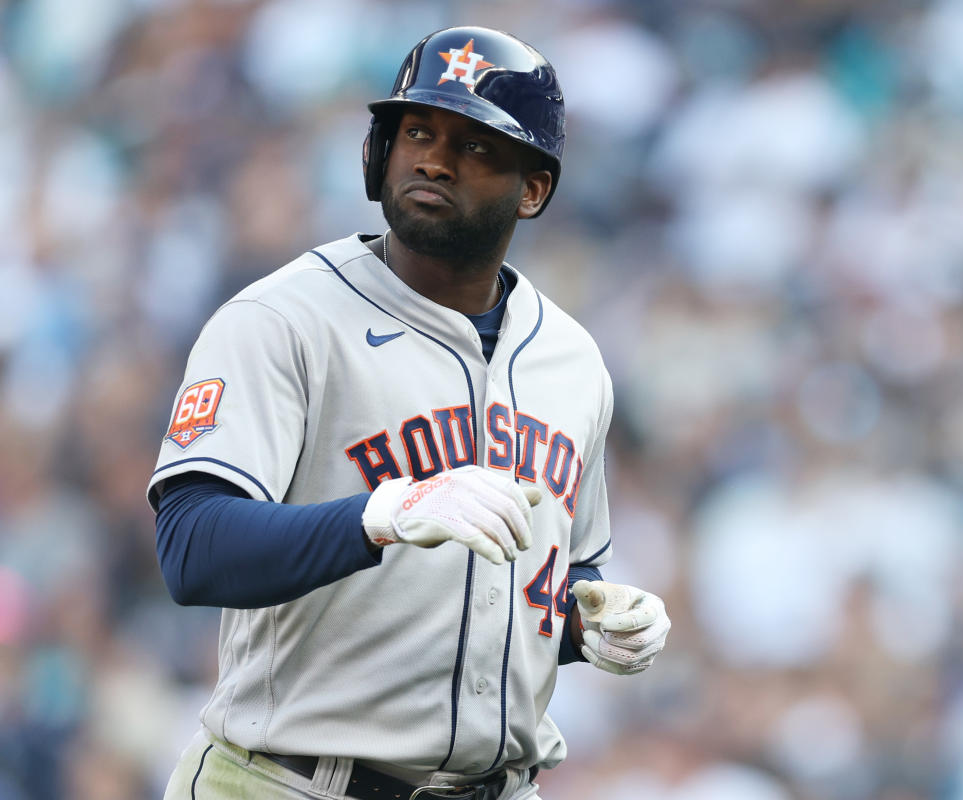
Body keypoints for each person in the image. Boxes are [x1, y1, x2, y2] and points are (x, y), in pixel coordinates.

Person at [147, 26, 670, 800]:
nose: (434, 158)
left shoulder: (572, 360)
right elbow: (191, 548)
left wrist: (586, 621)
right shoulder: (284, 319)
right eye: (418, 130)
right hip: (290, 782)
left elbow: (537, 587)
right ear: (377, 153)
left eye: (477, 146)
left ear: (533, 188)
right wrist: (382, 513)